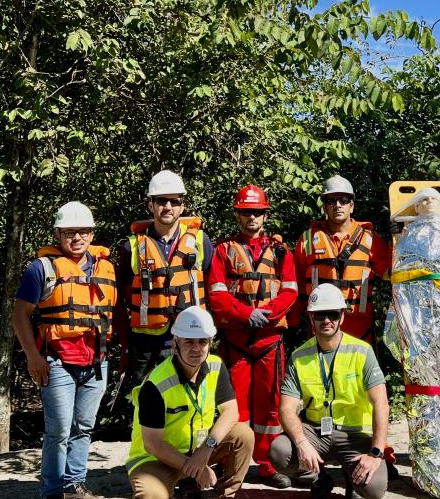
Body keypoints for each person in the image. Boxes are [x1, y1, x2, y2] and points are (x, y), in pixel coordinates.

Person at [11, 202, 115, 499]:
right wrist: (33, 357)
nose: (77, 237)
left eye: (83, 231)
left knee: (84, 426)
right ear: (58, 234)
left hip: (97, 360)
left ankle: (74, 485)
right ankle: (52, 491)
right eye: (70, 232)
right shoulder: (41, 268)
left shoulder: (105, 267)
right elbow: (19, 314)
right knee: (58, 431)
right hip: (56, 361)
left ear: (92, 233)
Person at [208, 185, 298, 487]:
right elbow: (217, 295)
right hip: (236, 342)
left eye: (257, 212)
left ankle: (270, 466)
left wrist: (268, 315)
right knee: (233, 407)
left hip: (270, 342)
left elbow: (290, 291)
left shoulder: (281, 250)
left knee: (271, 406)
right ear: (238, 214)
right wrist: (246, 314)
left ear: (265, 214)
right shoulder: (223, 251)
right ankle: (235, 465)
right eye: (246, 212)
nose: (252, 217)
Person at [269, 283, 389, 499]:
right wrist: (302, 443)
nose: (326, 320)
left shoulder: (362, 351)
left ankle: (353, 478)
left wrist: (376, 453)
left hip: (355, 435)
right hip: (316, 432)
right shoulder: (299, 356)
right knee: (280, 452)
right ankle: (319, 478)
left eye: (332, 314)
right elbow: (286, 409)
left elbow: (381, 403)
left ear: (342, 317)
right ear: (311, 318)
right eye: (320, 315)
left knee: (374, 490)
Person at [126, 306, 253, 498]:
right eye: (188, 342)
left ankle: (226, 494)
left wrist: (205, 450)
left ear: (210, 343)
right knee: (152, 495)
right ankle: (187, 478)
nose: (196, 348)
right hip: (156, 458)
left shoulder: (216, 365)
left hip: (198, 449)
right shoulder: (156, 384)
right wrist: (195, 467)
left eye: (202, 342)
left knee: (243, 434)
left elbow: (231, 412)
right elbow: (153, 445)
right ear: (175, 344)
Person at [115, 170, 214, 388]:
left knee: (190, 400)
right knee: (146, 403)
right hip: (146, 342)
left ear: (182, 205)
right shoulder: (130, 246)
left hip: (191, 338)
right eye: (161, 200)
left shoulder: (200, 241)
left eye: (174, 201)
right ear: (150, 205)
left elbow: (211, 285)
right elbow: (121, 297)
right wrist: (125, 345)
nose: (167, 206)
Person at [293, 175, 390, 343]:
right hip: (322, 324)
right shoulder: (308, 239)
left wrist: (400, 237)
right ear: (325, 207)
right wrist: (291, 323)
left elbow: (391, 274)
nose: (337, 205)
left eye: (343, 200)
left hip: (359, 327)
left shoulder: (370, 239)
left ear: (351, 206)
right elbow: (298, 285)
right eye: (331, 201)